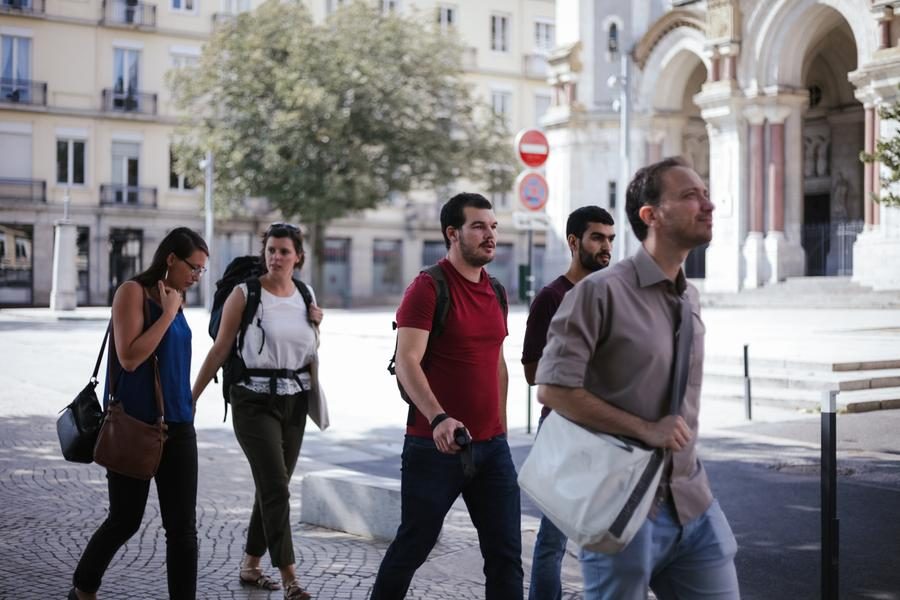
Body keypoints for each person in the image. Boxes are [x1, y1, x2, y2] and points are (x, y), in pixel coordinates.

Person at [536, 157, 740, 599]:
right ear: (651, 215)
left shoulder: (689, 297)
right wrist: (645, 429)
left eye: (706, 194)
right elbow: (552, 389)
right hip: (623, 508)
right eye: (690, 196)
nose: (708, 205)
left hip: (693, 502)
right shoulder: (599, 292)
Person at [371, 193, 523, 599]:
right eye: (479, 226)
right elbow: (407, 361)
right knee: (413, 546)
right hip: (434, 446)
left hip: (492, 448)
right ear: (452, 233)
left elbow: (497, 364)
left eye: (493, 227)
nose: (490, 235)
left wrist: (502, 430)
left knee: (506, 556)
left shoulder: (497, 291)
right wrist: (438, 417)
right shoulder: (427, 287)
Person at [70, 227, 209, 600]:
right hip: (135, 424)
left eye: (202, 270)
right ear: (171, 259)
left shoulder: (175, 298)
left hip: (179, 426)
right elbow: (130, 357)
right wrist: (167, 315)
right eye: (193, 267)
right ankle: (83, 587)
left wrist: (188, 401)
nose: (197, 276)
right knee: (125, 520)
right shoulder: (132, 292)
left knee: (183, 530)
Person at [191, 223, 324, 600]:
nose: (276, 257)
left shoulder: (305, 294)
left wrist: (317, 324)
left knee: (272, 485)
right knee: (276, 488)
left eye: (284, 251)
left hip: (294, 400)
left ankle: (250, 565)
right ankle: (290, 578)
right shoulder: (245, 293)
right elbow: (220, 349)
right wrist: (192, 397)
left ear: (298, 256)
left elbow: (306, 350)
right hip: (251, 400)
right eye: (271, 250)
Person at [522, 205, 615, 600]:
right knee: (553, 539)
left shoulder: (613, 294)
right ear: (574, 242)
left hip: (609, 429)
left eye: (610, 238)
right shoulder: (551, 297)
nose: (606, 246)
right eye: (597, 238)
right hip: (564, 429)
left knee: (611, 536)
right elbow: (531, 372)